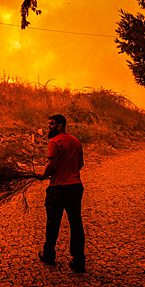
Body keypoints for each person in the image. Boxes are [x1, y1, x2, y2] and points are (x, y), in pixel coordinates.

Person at [36, 114, 86, 272]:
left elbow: (52, 165)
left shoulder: (54, 142)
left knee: (53, 223)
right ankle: (79, 260)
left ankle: (49, 255)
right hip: (75, 187)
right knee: (76, 223)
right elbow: (80, 164)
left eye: (51, 124)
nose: (48, 127)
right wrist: (70, 172)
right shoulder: (76, 141)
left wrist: (44, 175)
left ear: (60, 126)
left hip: (58, 188)